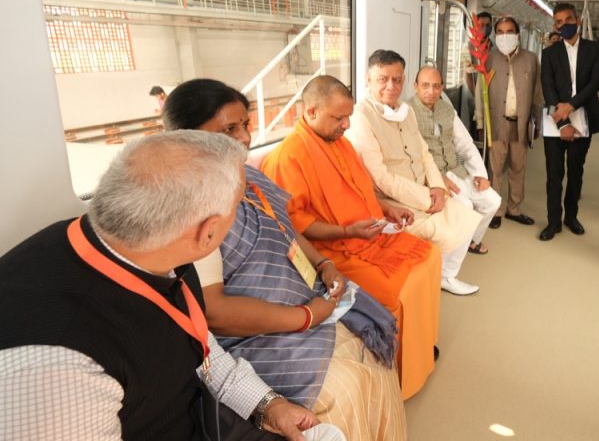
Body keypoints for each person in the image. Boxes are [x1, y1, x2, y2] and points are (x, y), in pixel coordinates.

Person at [0, 131, 342, 440]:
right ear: (208, 233)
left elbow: (200, 349)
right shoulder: (57, 371)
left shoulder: (149, 251)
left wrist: (267, 405)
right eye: (239, 207)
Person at [163, 79, 407, 441]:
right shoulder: (190, 207)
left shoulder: (249, 175)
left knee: (371, 349)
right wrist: (307, 316)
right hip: (254, 333)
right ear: (187, 137)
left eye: (245, 125)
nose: (244, 138)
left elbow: (285, 228)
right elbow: (214, 312)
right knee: (349, 386)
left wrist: (323, 264)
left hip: (303, 297)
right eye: (229, 129)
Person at [261, 75, 441, 400]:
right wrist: (348, 232)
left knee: (430, 256)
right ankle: (400, 371)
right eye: (339, 118)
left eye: (348, 117)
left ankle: (421, 346)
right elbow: (296, 226)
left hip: (370, 234)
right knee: (401, 289)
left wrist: (386, 207)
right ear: (311, 111)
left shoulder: (340, 142)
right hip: (332, 252)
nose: (346, 125)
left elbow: (361, 190)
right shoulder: (288, 158)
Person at [346, 50, 482, 296]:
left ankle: (445, 275)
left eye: (397, 79)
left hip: (425, 189)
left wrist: (437, 187)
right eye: (383, 79)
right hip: (395, 201)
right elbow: (381, 177)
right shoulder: (361, 117)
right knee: (453, 225)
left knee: (468, 213)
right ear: (368, 79)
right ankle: (440, 276)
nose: (391, 86)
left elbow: (424, 154)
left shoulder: (405, 111)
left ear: (404, 80)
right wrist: (427, 197)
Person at [410, 65, 501, 255]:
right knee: (465, 206)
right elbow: (412, 156)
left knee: (493, 201)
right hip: (432, 177)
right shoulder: (407, 113)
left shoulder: (447, 109)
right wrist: (436, 179)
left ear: (442, 87)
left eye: (436, 86)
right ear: (415, 86)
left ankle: (471, 240)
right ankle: (455, 249)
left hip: (456, 170)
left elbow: (465, 144)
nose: (431, 91)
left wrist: (480, 174)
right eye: (425, 85)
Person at [539, 2, 599, 241]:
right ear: (555, 26)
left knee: (576, 171)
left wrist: (571, 105)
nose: (564, 25)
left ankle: (571, 217)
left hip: (583, 116)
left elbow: (594, 83)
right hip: (555, 118)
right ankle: (553, 222)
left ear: (577, 21)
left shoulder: (595, 49)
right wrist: (562, 122)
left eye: (568, 19)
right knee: (554, 174)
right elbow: (548, 88)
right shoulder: (549, 53)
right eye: (559, 22)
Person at [474, 15, 542, 230]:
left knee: (518, 167)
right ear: (496, 35)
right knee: (495, 169)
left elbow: (537, 93)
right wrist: (480, 123)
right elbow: (479, 92)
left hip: (521, 123)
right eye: (500, 32)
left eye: (509, 32)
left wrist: (537, 122)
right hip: (496, 123)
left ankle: (514, 208)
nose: (505, 36)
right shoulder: (488, 59)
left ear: (518, 35)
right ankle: (495, 209)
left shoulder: (531, 59)